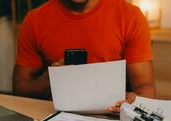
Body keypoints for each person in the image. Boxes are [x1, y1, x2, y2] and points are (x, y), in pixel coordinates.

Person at [13, 0, 155, 112]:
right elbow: (20, 89)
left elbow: (145, 86)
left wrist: (134, 104)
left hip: (112, 117)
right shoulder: (35, 20)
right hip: (55, 117)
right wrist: (54, 77)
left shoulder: (130, 16)